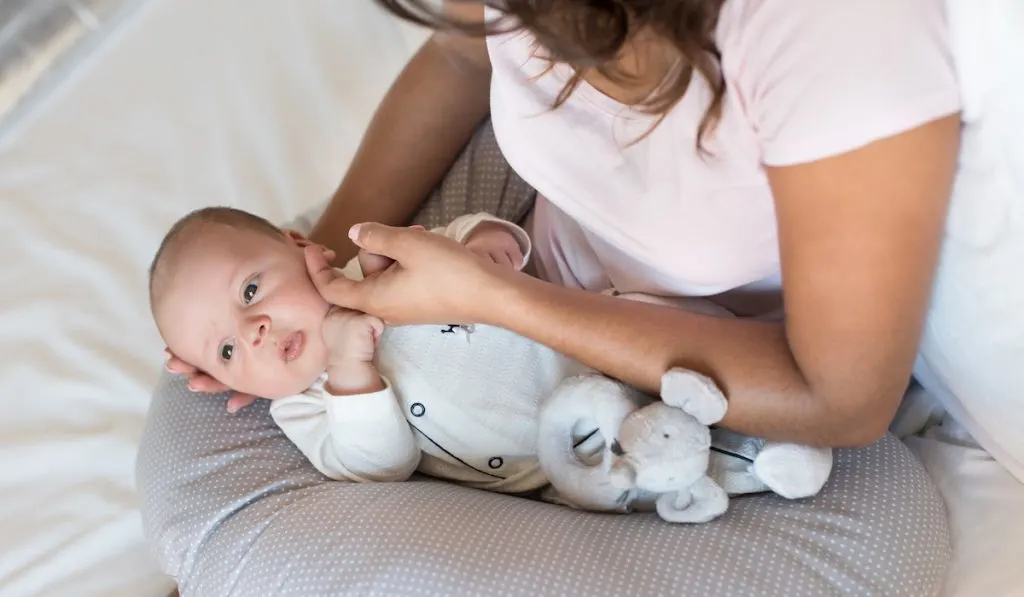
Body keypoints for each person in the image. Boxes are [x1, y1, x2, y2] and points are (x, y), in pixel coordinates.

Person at [173, 0, 962, 448]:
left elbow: (841, 400)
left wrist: (495, 301)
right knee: (190, 432)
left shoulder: (835, 34)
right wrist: (312, 276)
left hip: (715, 374)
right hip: (520, 259)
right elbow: (460, 58)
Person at [151, 205, 831, 507]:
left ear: (301, 245)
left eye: (251, 290)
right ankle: (763, 469)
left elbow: (464, 238)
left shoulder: (380, 262)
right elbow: (381, 466)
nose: (260, 330)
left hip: (595, 344)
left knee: (679, 342)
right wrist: (352, 376)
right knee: (646, 474)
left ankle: (784, 398)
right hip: (554, 461)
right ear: (222, 375)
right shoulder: (306, 407)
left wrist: (485, 246)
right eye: (231, 348)